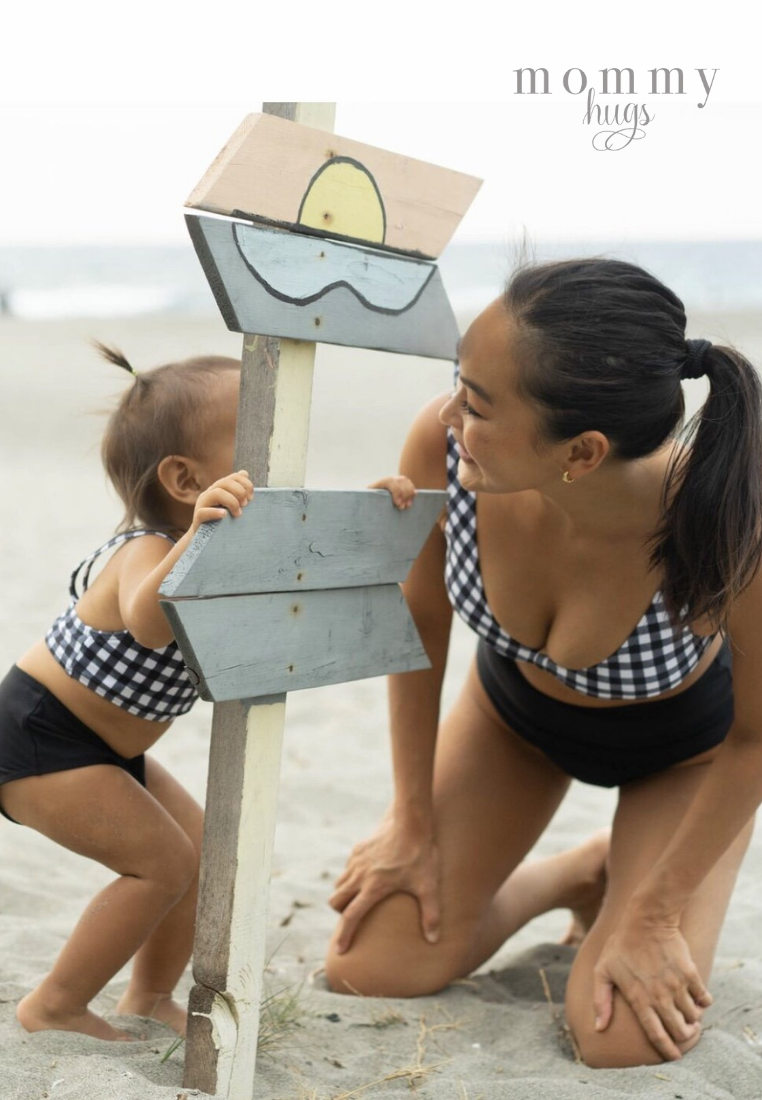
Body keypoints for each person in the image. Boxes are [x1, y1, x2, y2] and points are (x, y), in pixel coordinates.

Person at [324, 257, 762, 1069]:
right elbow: (421, 621)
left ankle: (628, 880)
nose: (451, 413)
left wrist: (657, 913)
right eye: (459, 380)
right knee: (370, 968)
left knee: (618, 1039)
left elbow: (754, 741)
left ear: (583, 451)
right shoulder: (446, 447)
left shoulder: (723, 519)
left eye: (479, 403)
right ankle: (579, 873)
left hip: (687, 754)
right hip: (514, 722)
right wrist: (409, 818)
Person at [0, 343, 253, 1041]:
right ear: (184, 479)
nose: (278, 447)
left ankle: (147, 995)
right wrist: (198, 533)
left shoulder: (221, 549)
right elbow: (147, 622)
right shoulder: (147, 548)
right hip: (42, 732)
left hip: (103, 748)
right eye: (257, 432)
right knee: (160, 864)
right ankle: (54, 1004)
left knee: (199, 850)